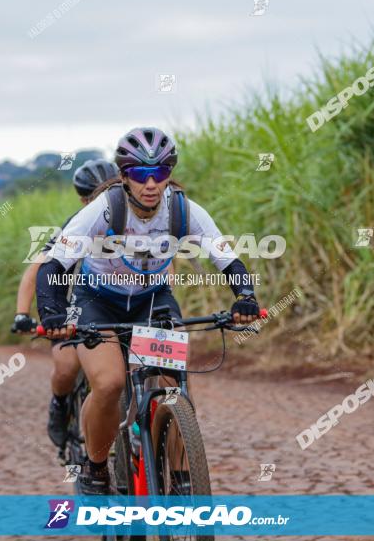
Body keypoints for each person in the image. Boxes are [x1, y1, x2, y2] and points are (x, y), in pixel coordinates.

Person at [35, 127, 261, 495]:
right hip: (98, 301)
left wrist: (245, 297)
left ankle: (182, 477)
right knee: (109, 383)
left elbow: (227, 258)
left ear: (171, 172)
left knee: (173, 385)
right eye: (141, 174)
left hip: (152, 300)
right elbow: (53, 266)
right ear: (124, 176)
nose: (151, 183)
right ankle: (94, 469)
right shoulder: (105, 209)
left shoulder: (184, 209)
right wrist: (53, 315)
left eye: (161, 172)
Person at [12, 159, 119, 448]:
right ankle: (59, 405)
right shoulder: (75, 226)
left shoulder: (133, 219)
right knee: (66, 366)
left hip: (123, 302)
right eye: (95, 197)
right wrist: (22, 313)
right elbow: (36, 269)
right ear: (84, 200)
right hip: (74, 306)